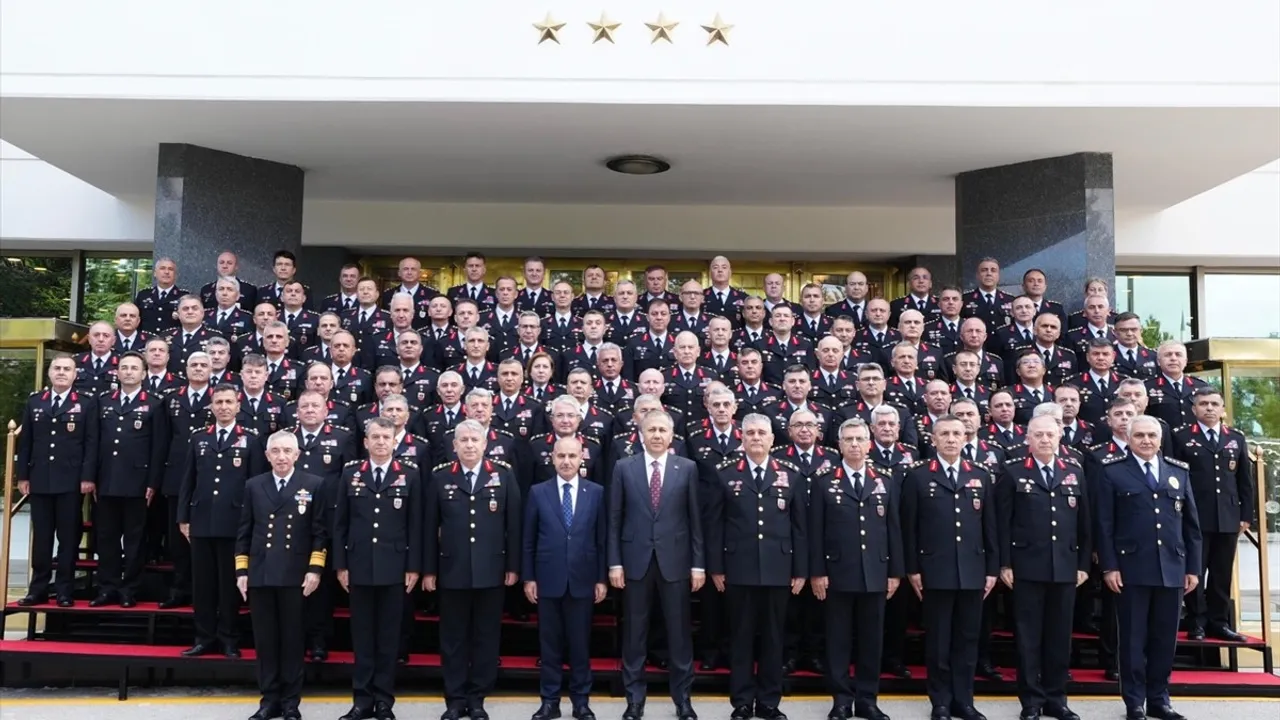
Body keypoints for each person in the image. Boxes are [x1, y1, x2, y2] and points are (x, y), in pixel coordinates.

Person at [1095, 416, 1201, 720]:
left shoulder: (1177, 472)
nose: (1146, 440)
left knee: (1164, 639)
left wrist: (1192, 568)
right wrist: (1109, 566)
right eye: (1139, 435)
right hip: (1131, 569)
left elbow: (1191, 527)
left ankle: (1159, 698)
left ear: (1161, 438)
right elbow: (1104, 525)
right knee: (1132, 638)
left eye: (1152, 435)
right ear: (1129, 439)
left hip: (1171, 567)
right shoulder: (1113, 472)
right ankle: (1135, 701)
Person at [706, 414, 806, 720]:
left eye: (762, 433)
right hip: (739, 568)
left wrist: (800, 569)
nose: (756, 438)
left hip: (778, 569)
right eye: (750, 433)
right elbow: (715, 525)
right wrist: (716, 567)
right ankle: (741, 702)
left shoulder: (790, 474)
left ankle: (769, 703)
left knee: (774, 639)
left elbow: (800, 527)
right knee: (741, 637)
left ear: (772, 439)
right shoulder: (724, 474)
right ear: (742, 437)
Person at [609, 410, 704, 720]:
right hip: (635, 562)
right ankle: (634, 700)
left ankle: (683, 700)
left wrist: (698, 565)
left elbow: (695, 521)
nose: (658, 435)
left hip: (675, 562)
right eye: (652, 430)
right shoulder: (624, 468)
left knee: (679, 634)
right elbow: (614, 520)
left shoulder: (687, 468)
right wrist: (614, 563)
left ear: (671, 435)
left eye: (663, 430)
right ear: (641, 434)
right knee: (634, 634)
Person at [424, 420, 522, 720]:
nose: (468, 445)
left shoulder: (502, 475)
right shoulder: (441, 477)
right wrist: (429, 570)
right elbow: (429, 527)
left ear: (485, 444)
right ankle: (454, 699)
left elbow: (514, 525)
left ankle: (478, 697)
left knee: (486, 636)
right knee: (453, 638)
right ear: (454, 446)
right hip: (452, 570)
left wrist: (513, 567)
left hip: (491, 569)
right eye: (463, 440)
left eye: (474, 440)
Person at [901, 415, 997, 720]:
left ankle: (964, 701)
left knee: (968, 640)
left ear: (966, 438)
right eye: (945, 434)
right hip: (935, 570)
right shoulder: (918, 476)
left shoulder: (979, 475)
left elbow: (990, 528)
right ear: (933, 439)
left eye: (958, 433)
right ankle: (940, 701)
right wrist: (913, 569)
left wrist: (992, 568)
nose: (952, 439)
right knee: (939, 641)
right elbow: (909, 528)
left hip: (972, 570)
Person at [996, 416, 1091, 720]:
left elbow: (1084, 524)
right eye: (1039, 435)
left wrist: (1083, 563)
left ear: (1060, 437)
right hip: (1026, 567)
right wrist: (1005, 563)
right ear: (1028, 439)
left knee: (1059, 637)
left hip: (1064, 567)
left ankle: (1057, 698)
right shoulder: (1012, 473)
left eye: (1051, 434)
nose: (1045, 439)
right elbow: (1002, 524)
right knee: (1028, 638)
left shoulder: (1074, 473)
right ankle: (1031, 702)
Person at [810, 418, 901, 720]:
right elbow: (815, 532)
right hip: (837, 574)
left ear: (869, 443)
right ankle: (840, 700)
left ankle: (867, 699)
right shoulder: (825, 481)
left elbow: (893, 530)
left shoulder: (884, 480)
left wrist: (894, 572)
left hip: (875, 573)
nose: (854, 444)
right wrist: (817, 572)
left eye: (860, 439)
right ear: (839, 444)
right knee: (837, 640)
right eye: (848, 439)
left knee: (871, 640)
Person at [335, 417, 423, 720]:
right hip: (359, 566)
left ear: (394, 441)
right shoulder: (351, 474)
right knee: (362, 636)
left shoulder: (409, 475)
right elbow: (340, 525)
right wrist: (341, 565)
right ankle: (361, 700)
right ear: (366, 441)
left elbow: (416, 525)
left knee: (388, 638)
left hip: (395, 568)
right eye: (375, 437)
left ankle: (384, 700)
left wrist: (414, 566)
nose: (381, 442)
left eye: (386, 437)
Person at [235, 431, 327, 720]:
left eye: (288, 450)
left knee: (291, 640)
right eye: (276, 451)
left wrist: (315, 569)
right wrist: (241, 570)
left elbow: (319, 533)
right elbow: (244, 532)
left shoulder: (313, 484)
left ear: (297, 455)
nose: (282, 456)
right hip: (261, 573)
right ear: (267, 455)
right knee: (266, 641)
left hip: (295, 574)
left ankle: (290, 702)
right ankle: (268, 700)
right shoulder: (254, 485)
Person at [178, 383, 266, 658]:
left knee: (229, 585)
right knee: (202, 584)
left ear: (238, 406)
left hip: (234, 523)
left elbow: (255, 486)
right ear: (211, 406)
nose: (224, 407)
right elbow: (188, 481)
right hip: (202, 521)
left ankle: (229, 638)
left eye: (229, 402)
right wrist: (183, 517)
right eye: (219, 402)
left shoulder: (250, 440)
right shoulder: (198, 438)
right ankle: (204, 638)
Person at [523, 436, 607, 720]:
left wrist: (601, 579)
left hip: (583, 579)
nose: (567, 461)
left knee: (581, 644)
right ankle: (549, 701)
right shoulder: (538, 492)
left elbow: (601, 539)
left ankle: (581, 702)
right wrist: (529, 577)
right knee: (549, 645)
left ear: (582, 457)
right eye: (561, 456)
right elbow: (529, 540)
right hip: (548, 580)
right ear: (552, 458)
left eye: (572, 456)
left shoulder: (596, 492)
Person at [14, 354, 98, 607]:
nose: (62, 372)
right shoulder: (35, 402)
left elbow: (91, 443)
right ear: (50, 373)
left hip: (70, 482)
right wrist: (23, 476)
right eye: (57, 368)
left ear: (75, 375)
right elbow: (26, 441)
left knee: (68, 538)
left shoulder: (85, 403)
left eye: (67, 369)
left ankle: (64, 590)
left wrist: (87, 477)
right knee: (41, 538)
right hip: (39, 479)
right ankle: (37, 589)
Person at [1174, 387, 1255, 642]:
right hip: (1195, 517)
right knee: (1195, 572)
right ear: (1194, 409)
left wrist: (1246, 515)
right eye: (1203, 404)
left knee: (1221, 573)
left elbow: (1244, 481)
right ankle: (1196, 621)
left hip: (1228, 517)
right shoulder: (1181, 437)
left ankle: (1219, 622)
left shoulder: (1236, 438)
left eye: (1214, 404)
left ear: (1223, 409)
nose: (1209, 408)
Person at [91, 351, 169, 608]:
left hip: (138, 482)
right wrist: (91, 478)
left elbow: (159, 447)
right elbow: (94, 442)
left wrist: (152, 483)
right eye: (124, 367)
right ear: (117, 372)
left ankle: (129, 589)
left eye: (134, 368)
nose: (128, 372)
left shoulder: (155, 403)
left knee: (135, 540)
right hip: (107, 480)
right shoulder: (103, 401)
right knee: (106, 537)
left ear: (144, 373)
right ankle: (107, 587)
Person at [134, 257, 186, 335]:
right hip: (146, 342)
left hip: (173, 342)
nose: (166, 272)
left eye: (170, 269)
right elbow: (135, 319)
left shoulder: (184, 296)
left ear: (175, 275)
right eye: (162, 268)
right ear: (155, 273)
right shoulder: (143, 295)